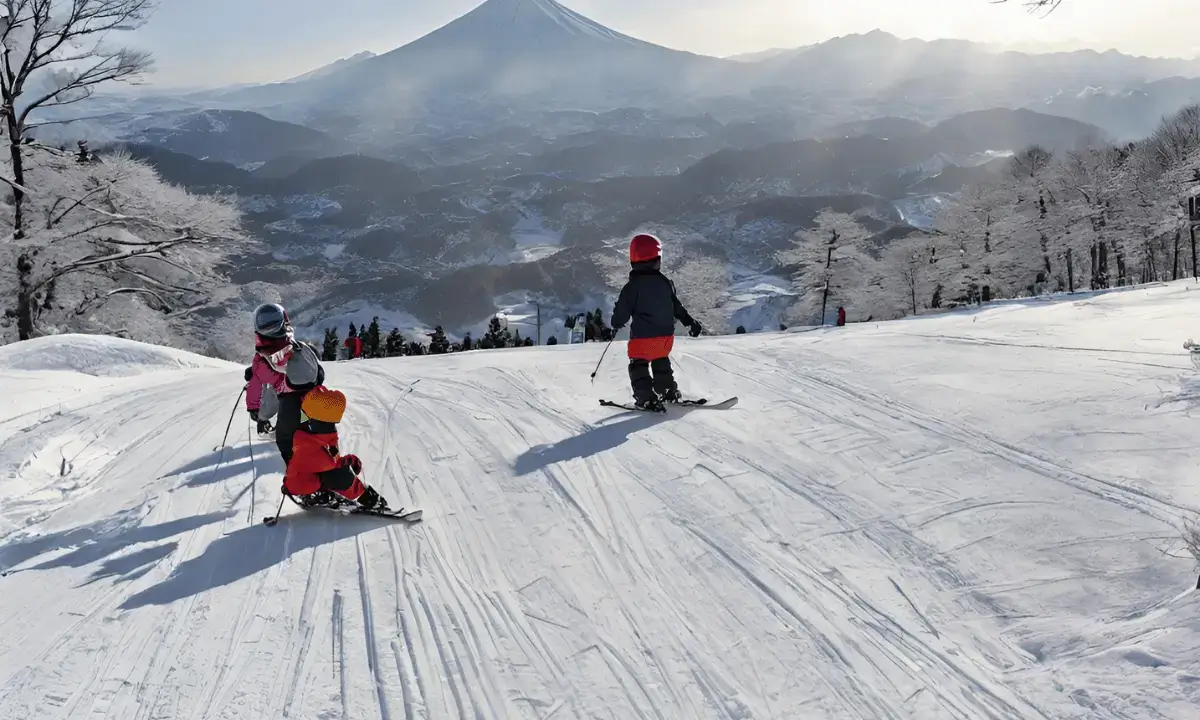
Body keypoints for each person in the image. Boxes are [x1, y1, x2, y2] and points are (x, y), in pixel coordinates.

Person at [610, 233, 702, 411]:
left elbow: (621, 314)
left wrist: (615, 323)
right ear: (655, 260)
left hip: (642, 340)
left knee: (639, 365)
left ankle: (645, 398)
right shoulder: (665, 283)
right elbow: (677, 307)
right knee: (661, 362)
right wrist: (690, 322)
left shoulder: (632, 287)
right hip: (665, 339)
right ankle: (668, 392)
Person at [282, 385, 387, 510]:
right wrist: (363, 494)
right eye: (330, 423)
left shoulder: (316, 438)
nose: (333, 426)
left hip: (311, 478)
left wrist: (349, 460)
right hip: (303, 487)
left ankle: (322, 493)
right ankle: (367, 500)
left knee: (336, 473)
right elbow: (336, 471)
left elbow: (330, 462)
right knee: (340, 476)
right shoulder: (308, 446)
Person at [245, 302, 325, 465]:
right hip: (311, 395)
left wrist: (259, 413)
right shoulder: (298, 348)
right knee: (308, 424)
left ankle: (301, 467)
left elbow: (268, 389)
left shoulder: (261, 360)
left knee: (289, 435)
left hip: (289, 403)